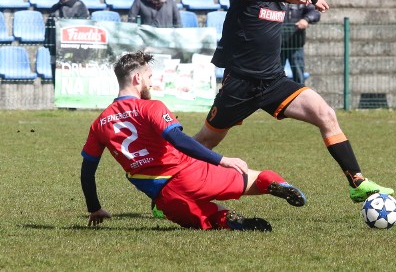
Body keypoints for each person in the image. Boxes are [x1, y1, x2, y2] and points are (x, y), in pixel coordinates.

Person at [193, 0, 393, 203]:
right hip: (240, 85)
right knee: (206, 141)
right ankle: (168, 190)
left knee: (326, 114)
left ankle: (357, 181)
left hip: (274, 82)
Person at [80, 51, 307, 231]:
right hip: (190, 175)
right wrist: (221, 159)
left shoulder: (99, 122)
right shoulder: (150, 107)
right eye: (149, 77)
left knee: (210, 218)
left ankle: (228, 220)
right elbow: (178, 139)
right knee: (255, 180)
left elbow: (87, 172)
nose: (151, 83)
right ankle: (275, 183)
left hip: (166, 199)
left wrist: (95, 208)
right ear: (137, 78)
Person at [44, 0, 90, 81]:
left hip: (75, 51)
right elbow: (48, 27)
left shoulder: (80, 7)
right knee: (56, 79)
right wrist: (47, 43)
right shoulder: (54, 8)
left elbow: (85, 28)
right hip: (55, 50)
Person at [280, 0, 320, 84]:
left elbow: (315, 13)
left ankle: (298, 99)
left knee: (298, 75)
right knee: (275, 76)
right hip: (278, 45)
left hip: (296, 44)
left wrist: (306, 20)